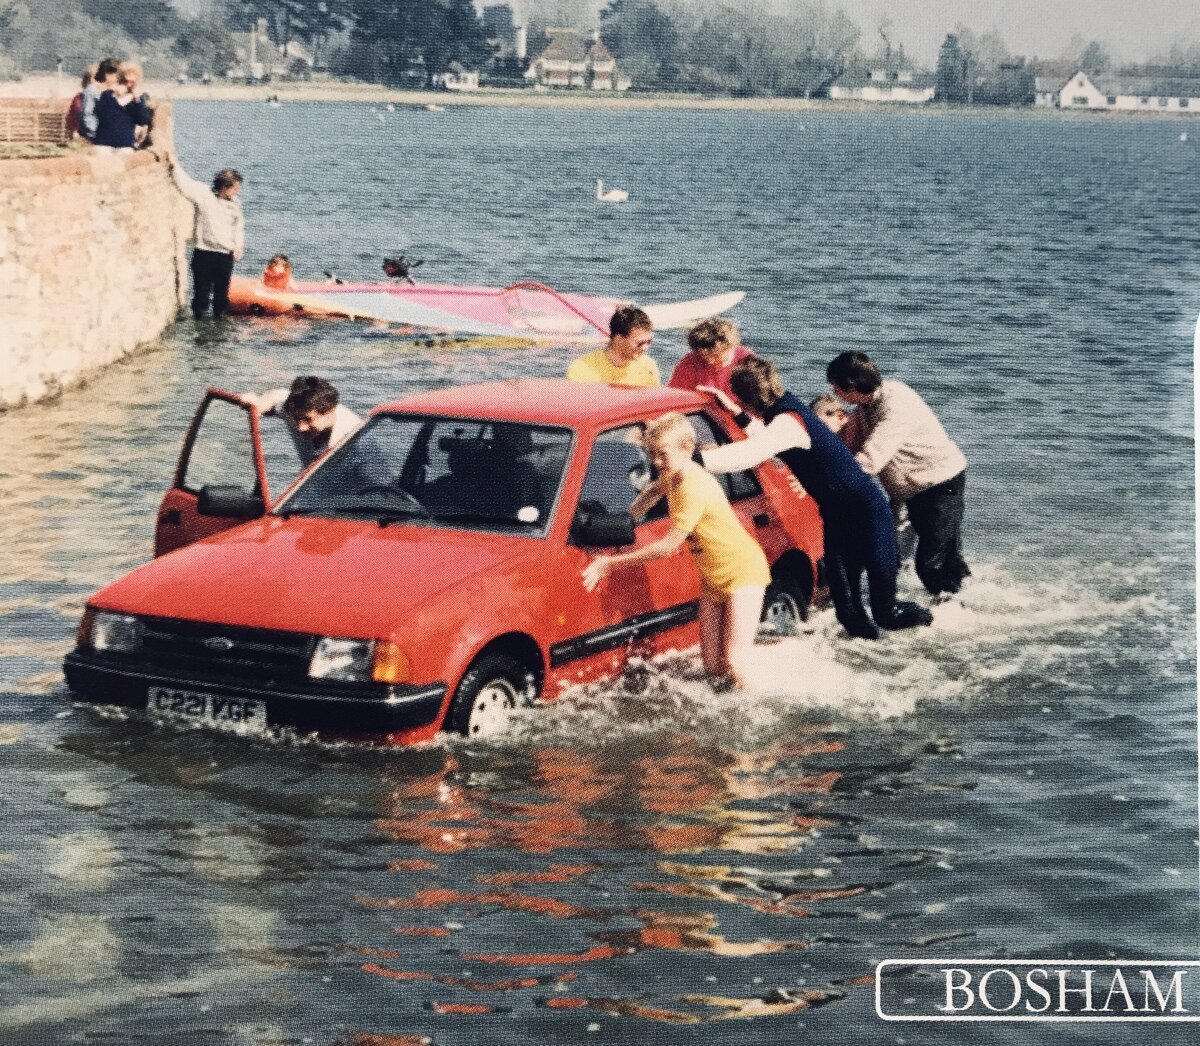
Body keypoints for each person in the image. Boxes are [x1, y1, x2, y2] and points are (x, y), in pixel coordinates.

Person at [702, 357, 931, 641]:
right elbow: (766, 438)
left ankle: (937, 622)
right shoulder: (785, 415)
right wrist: (736, 412)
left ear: (748, 396)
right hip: (837, 516)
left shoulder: (788, 421)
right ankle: (875, 663)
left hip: (867, 514)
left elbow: (751, 453)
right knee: (847, 613)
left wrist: (695, 458)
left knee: (888, 613)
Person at [581, 413, 769, 688]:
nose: (656, 462)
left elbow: (668, 546)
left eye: (662, 455)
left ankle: (759, 710)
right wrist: (624, 522)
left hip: (743, 572)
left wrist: (609, 563)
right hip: (714, 577)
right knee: (714, 667)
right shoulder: (675, 475)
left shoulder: (693, 487)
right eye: (652, 455)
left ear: (687, 449)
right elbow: (653, 492)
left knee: (736, 659)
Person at [826, 350, 969, 597]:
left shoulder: (895, 406)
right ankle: (964, 596)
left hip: (940, 484)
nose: (833, 391)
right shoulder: (866, 405)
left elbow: (871, 459)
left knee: (929, 564)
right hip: (912, 489)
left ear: (851, 386)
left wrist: (830, 484)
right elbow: (849, 442)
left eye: (836, 386)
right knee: (941, 554)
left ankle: (950, 610)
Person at [168, 158, 244, 318]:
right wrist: (172, 165)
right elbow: (185, 184)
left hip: (225, 255)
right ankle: (200, 333)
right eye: (236, 188)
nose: (237, 191)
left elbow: (238, 228)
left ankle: (220, 335)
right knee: (201, 296)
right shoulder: (204, 195)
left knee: (221, 297)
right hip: (204, 253)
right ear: (224, 186)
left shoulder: (236, 204)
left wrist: (238, 246)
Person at [244, 377, 362, 468]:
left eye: (308, 420)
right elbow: (277, 396)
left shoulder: (354, 435)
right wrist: (258, 403)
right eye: (296, 418)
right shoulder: (294, 409)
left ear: (330, 412)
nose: (301, 427)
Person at [566, 305, 660, 387]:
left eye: (649, 342)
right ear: (618, 339)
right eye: (639, 343)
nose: (645, 348)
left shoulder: (649, 367)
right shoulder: (581, 370)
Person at [669, 317, 756, 396]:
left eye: (715, 356)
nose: (710, 361)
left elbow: (758, 403)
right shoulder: (690, 362)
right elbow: (674, 396)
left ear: (730, 347)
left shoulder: (747, 361)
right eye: (704, 356)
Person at [92, 61, 151, 151]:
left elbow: (143, 120)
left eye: (132, 82)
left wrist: (137, 100)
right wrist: (114, 97)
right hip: (103, 143)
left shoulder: (138, 99)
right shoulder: (107, 95)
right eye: (125, 81)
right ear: (120, 79)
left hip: (125, 145)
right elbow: (101, 114)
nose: (128, 85)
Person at [79, 58, 117, 142]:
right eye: (118, 75)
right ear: (108, 75)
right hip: (97, 137)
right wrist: (97, 133)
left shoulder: (114, 91)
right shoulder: (92, 91)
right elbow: (87, 115)